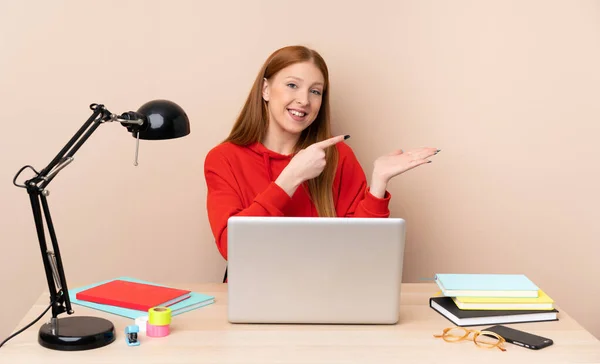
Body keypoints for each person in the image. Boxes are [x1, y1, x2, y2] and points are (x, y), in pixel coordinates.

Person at [204, 45, 439, 262]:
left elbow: (361, 249)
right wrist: (290, 178)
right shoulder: (223, 159)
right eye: (292, 85)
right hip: (254, 293)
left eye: (315, 91)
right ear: (265, 89)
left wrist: (378, 182)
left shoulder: (338, 156)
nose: (304, 100)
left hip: (328, 292)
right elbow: (231, 248)